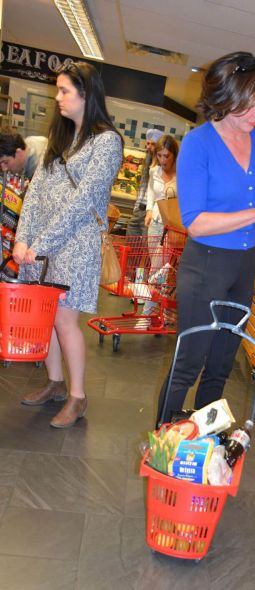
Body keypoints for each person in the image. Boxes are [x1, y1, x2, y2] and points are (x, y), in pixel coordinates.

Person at [156, 51, 255, 426]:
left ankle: (202, 448)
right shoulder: (197, 143)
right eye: (251, 105)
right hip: (205, 264)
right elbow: (196, 223)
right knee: (188, 363)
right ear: (226, 99)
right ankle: (163, 442)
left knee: (222, 364)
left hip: (243, 265)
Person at [13, 61, 123, 429]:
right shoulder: (60, 137)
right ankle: (56, 383)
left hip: (76, 244)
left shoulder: (107, 142)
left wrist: (40, 243)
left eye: (64, 91)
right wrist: (23, 239)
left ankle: (78, 396)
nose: (57, 97)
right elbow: (35, 194)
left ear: (86, 94)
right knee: (48, 318)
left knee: (65, 319)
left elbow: (83, 202)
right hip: (41, 247)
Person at [142, 134, 181, 315]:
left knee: (161, 270)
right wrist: (149, 209)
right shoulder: (154, 172)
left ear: (174, 155)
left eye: (167, 156)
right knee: (157, 269)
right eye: (159, 155)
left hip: (173, 229)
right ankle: (158, 312)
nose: (163, 160)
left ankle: (149, 313)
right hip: (156, 225)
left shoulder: (182, 174)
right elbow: (151, 190)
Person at [125, 128, 163, 238]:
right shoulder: (147, 161)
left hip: (151, 214)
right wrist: (136, 208)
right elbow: (143, 188)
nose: (148, 147)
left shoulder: (163, 166)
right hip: (139, 210)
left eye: (153, 144)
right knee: (130, 246)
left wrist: (151, 211)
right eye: (147, 143)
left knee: (145, 250)